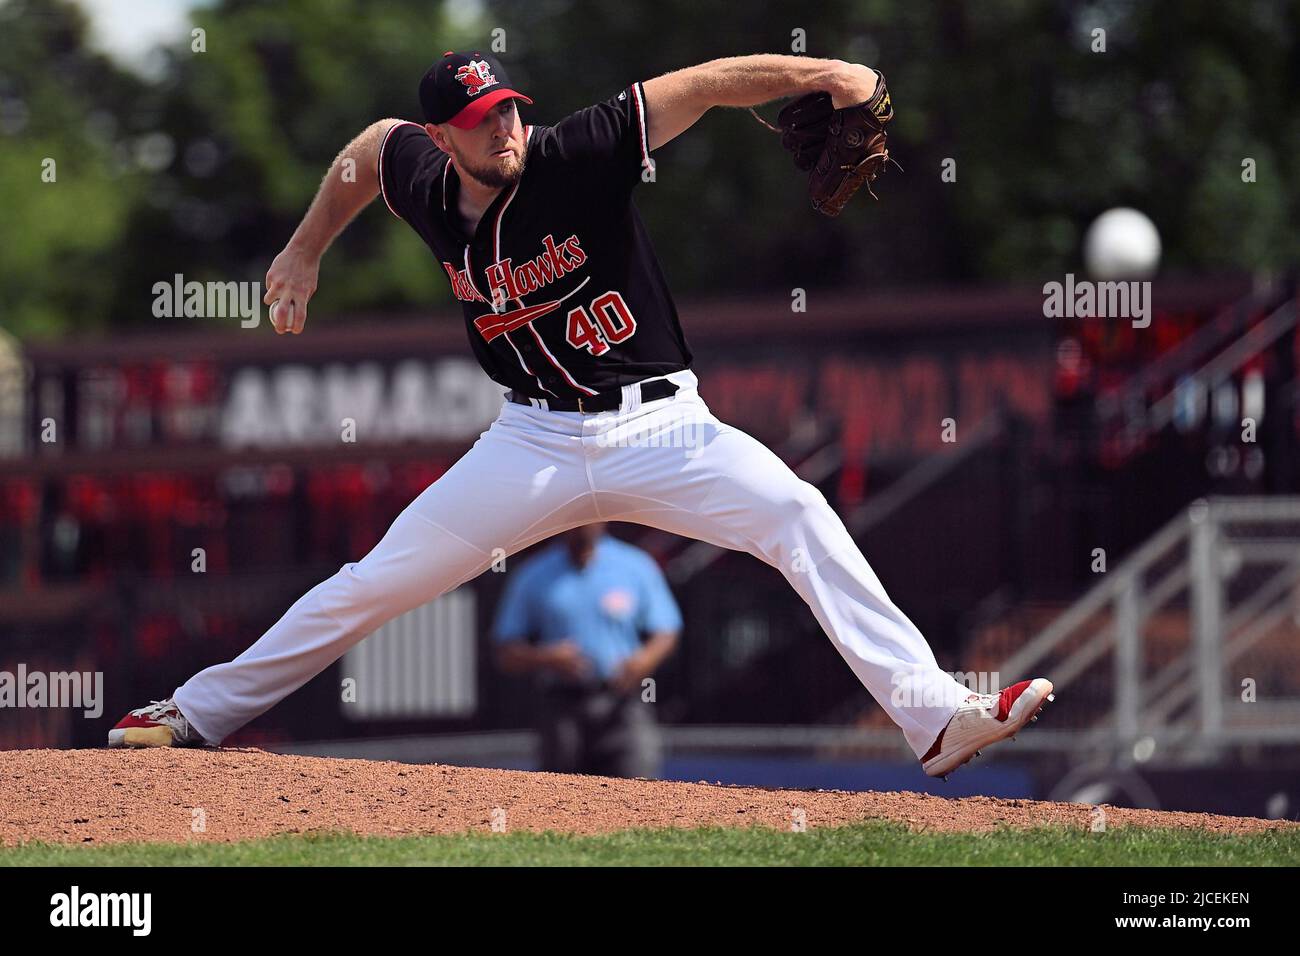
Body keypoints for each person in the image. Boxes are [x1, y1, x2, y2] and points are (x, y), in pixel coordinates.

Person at [110, 50, 1053, 779]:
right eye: (482, 120)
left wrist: (827, 74)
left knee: (797, 515)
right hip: (531, 438)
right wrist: (304, 247)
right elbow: (368, 148)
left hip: (663, 429)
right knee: (374, 582)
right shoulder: (424, 182)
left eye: (510, 108)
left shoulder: (579, 153)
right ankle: (196, 715)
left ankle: (935, 716)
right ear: (445, 139)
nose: (507, 127)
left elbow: (709, 84)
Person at [493, 523, 679, 778]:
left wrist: (643, 660)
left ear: (603, 519)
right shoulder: (535, 573)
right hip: (563, 707)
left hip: (623, 703)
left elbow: (667, 630)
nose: (583, 525)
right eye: (574, 518)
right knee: (560, 801)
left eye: (589, 516)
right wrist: (546, 657)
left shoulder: (634, 565)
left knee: (639, 790)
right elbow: (506, 651)